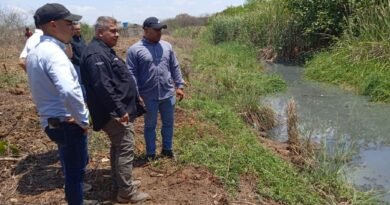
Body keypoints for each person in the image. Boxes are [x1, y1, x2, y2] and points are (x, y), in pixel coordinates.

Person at [80, 16, 150, 203]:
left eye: (117, 30)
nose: (117, 34)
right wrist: (119, 111)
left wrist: (134, 97)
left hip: (117, 110)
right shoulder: (96, 54)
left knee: (119, 147)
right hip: (112, 114)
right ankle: (126, 193)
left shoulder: (104, 51)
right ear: (100, 32)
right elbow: (103, 87)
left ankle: (120, 182)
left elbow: (117, 80)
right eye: (113, 30)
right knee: (125, 147)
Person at [25, 3, 90, 205]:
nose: (73, 27)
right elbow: (69, 90)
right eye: (69, 23)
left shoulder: (36, 51)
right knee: (75, 173)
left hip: (51, 121)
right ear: (53, 25)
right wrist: (83, 119)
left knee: (70, 169)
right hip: (67, 122)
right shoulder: (54, 53)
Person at [126, 17, 185, 161]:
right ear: (145, 30)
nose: (159, 32)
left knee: (168, 124)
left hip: (167, 93)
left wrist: (179, 85)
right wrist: (136, 94)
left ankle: (167, 149)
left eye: (161, 29)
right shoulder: (135, 50)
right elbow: (131, 73)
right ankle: (151, 153)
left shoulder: (167, 46)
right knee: (150, 125)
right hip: (148, 96)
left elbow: (174, 66)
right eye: (156, 29)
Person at [70, 22, 87, 99]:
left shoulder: (82, 39)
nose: (78, 30)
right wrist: (81, 62)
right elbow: (73, 55)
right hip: (77, 65)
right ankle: (84, 99)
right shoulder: (70, 40)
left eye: (79, 29)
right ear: (72, 30)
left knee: (87, 81)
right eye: (76, 29)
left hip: (85, 64)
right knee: (80, 83)